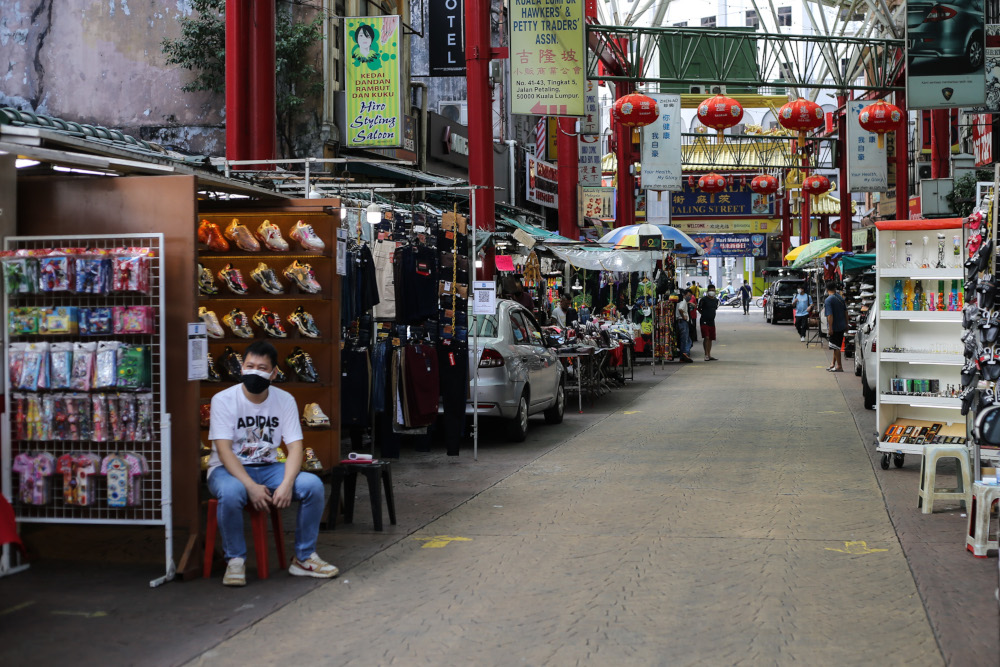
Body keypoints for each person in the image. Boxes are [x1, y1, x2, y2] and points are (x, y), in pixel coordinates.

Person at [207, 341, 338, 586]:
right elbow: (224, 451)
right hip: (227, 470)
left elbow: (295, 447)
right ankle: (235, 560)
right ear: (241, 368)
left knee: (312, 485)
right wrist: (250, 486)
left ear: (274, 372)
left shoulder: (284, 400)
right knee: (232, 491)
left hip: (269, 468)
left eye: (262, 367)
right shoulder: (223, 400)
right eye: (249, 366)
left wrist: (288, 483)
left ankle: (304, 557)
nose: (254, 371)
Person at [824, 281, 848, 372]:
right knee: (836, 346)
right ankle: (833, 364)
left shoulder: (828, 300)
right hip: (841, 325)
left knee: (835, 346)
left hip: (835, 327)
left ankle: (839, 366)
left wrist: (830, 328)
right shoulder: (840, 298)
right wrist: (846, 324)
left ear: (827, 289)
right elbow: (846, 312)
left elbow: (830, 315)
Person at [698, 284, 720, 361]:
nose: (712, 292)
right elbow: (699, 308)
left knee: (710, 338)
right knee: (706, 337)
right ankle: (706, 354)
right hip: (704, 321)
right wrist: (704, 314)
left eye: (713, 290)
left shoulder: (716, 300)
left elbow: (715, 309)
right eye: (710, 290)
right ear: (707, 291)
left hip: (712, 321)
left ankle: (709, 354)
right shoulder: (703, 300)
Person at [675, 289, 694, 362]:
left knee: (686, 339)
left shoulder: (681, 301)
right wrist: (683, 316)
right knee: (685, 339)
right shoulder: (683, 301)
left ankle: (684, 355)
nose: (689, 297)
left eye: (690, 296)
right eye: (688, 295)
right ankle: (684, 354)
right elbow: (680, 309)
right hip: (683, 321)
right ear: (684, 295)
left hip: (681, 322)